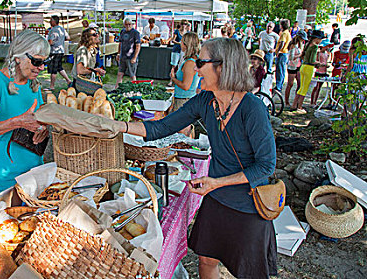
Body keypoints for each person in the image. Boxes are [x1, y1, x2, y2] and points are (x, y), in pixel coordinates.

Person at [115, 38, 277, 279]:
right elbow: (161, 128)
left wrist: (217, 182)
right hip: (216, 198)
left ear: (222, 67)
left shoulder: (252, 109)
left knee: (249, 272)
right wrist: (115, 125)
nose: (196, 67)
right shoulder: (206, 101)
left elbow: (266, 166)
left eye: (201, 62)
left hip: (248, 204)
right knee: (206, 259)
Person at [0, 30, 50, 196]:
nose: (41, 67)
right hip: (7, 172)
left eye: (44, 62)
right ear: (18, 57)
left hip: (35, 169)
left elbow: (37, 119)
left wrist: (43, 129)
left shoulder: (34, 83)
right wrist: (18, 122)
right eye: (37, 61)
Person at [170, 31, 201, 135]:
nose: (180, 43)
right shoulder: (193, 60)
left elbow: (186, 86)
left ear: (186, 44)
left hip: (184, 100)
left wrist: (173, 78)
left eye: (182, 42)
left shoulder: (189, 63)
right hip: (186, 99)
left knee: (182, 131)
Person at [291, 30, 325, 111]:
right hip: (309, 68)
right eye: (320, 39)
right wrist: (321, 63)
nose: (320, 41)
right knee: (304, 88)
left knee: (301, 87)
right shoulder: (314, 47)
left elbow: (304, 57)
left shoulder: (307, 44)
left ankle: (294, 105)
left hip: (303, 66)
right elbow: (312, 60)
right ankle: (299, 106)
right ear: (317, 39)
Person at [47, 15, 71, 90]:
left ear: (54, 21)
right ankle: (68, 80)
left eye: (51, 20)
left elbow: (50, 42)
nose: (50, 22)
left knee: (53, 69)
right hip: (61, 51)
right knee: (59, 67)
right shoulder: (62, 29)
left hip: (54, 51)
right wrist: (60, 41)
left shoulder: (52, 30)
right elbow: (68, 38)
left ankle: (52, 86)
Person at [115, 18, 141, 88]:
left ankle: (135, 89)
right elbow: (120, 43)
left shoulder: (135, 33)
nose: (128, 26)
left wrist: (135, 57)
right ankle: (117, 88)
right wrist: (118, 53)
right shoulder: (122, 31)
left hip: (131, 57)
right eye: (126, 24)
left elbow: (138, 46)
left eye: (129, 24)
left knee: (132, 75)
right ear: (124, 25)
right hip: (123, 56)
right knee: (120, 73)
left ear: (132, 24)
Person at [285, 32, 307, 107]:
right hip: (292, 66)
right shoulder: (293, 46)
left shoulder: (300, 45)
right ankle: (286, 101)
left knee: (300, 83)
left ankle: (296, 100)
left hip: (298, 65)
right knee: (290, 84)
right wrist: (300, 55)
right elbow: (291, 58)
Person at [310, 41, 333, 106]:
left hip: (324, 72)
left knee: (319, 87)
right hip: (318, 72)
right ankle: (312, 101)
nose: (327, 48)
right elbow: (315, 63)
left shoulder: (326, 53)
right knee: (316, 87)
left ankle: (315, 101)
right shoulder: (318, 53)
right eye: (326, 46)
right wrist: (320, 64)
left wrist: (326, 65)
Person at [275, 19, 292, 91]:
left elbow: (282, 42)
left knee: (280, 70)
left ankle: (279, 86)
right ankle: (279, 85)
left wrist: (278, 51)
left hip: (282, 53)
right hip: (284, 53)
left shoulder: (284, 33)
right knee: (281, 69)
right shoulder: (287, 32)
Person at [169, 21, 186, 86]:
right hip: (176, 49)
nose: (184, 25)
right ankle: (171, 80)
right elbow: (173, 40)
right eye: (183, 24)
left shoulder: (186, 33)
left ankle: (178, 80)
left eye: (185, 24)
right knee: (174, 65)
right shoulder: (176, 31)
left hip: (183, 50)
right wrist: (180, 43)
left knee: (181, 65)